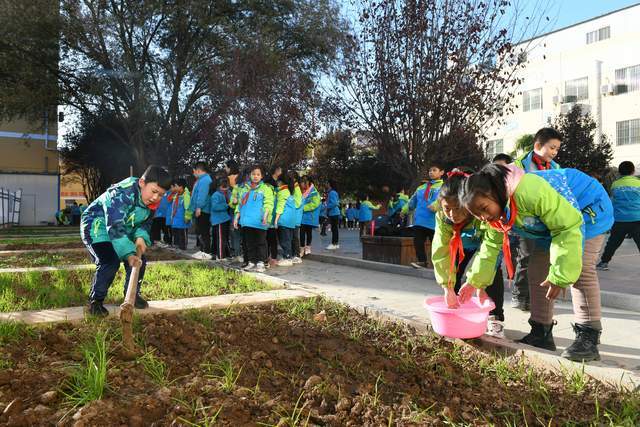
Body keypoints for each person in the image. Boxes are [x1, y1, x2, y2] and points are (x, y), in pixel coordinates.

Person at [459, 163, 613, 361]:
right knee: (537, 268)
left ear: (496, 193)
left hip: (588, 207)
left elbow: (568, 226)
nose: (484, 217)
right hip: (554, 224)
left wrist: (561, 274)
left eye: (484, 208)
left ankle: (588, 337)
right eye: (476, 214)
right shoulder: (493, 215)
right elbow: (490, 248)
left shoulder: (528, 192)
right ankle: (541, 332)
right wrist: (475, 281)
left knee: (580, 269)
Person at [80, 165, 171, 316]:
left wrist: (141, 237)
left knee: (140, 262)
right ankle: (95, 301)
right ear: (142, 183)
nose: (156, 197)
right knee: (110, 261)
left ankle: (132, 295)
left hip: (125, 226)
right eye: (154, 191)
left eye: (161, 194)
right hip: (96, 225)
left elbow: (145, 222)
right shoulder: (121, 193)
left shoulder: (151, 201)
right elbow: (115, 226)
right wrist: (129, 255)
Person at [431, 170, 505, 337]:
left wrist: (477, 282)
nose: (452, 214)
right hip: (460, 246)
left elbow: (490, 249)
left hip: (483, 244)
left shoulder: (483, 211)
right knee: (453, 277)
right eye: (447, 208)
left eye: (457, 208)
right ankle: (454, 313)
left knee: (492, 272)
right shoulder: (442, 217)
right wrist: (447, 287)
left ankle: (495, 318)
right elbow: (441, 251)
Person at [510, 128, 563, 311]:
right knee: (525, 258)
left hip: (547, 221)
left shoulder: (555, 168)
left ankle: (536, 298)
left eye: (557, 149)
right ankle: (519, 295)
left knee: (543, 260)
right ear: (538, 145)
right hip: (526, 221)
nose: (554, 152)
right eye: (551, 148)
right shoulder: (518, 166)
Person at [597, 161, 640, 270]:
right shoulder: (638, 183)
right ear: (633, 171)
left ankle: (604, 263)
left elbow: (612, 202)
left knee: (613, 242)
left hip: (620, 219)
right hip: (637, 218)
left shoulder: (615, 185)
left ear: (620, 172)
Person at [403, 162, 445, 269]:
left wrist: (437, 205)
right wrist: (404, 210)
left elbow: (447, 199)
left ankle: (439, 265)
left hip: (435, 222)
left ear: (441, 172)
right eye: (430, 170)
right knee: (418, 242)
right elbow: (413, 200)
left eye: (434, 170)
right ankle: (422, 262)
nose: (431, 172)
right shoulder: (421, 187)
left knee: (436, 245)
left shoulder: (445, 186)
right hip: (420, 220)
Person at [233, 165, 274, 273]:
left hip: (260, 222)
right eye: (253, 174)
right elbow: (240, 205)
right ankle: (251, 261)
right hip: (246, 222)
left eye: (258, 174)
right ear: (249, 175)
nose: (255, 176)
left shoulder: (266, 188)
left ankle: (261, 262)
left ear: (262, 176)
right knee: (249, 243)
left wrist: (265, 215)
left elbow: (269, 203)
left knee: (261, 243)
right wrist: (236, 218)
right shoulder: (245, 189)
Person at [189, 161, 213, 259]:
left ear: (198, 170)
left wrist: (199, 207)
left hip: (203, 210)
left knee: (204, 232)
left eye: (194, 171)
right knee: (200, 231)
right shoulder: (202, 180)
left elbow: (202, 195)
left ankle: (206, 252)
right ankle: (202, 250)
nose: (193, 173)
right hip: (200, 209)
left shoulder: (205, 180)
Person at [274, 173, 297, 266]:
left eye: (278, 181)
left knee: (284, 240)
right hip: (291, 221)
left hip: (284, 220)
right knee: (288, 239)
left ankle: (287, 258)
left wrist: (276, 220)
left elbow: (280, 206)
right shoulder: (289, 191)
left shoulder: (282, 192)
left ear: (281, 182)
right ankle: (288, 257)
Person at [210, 177, 232, 260]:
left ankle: (226, 254)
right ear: (219, 187)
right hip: (218, 220)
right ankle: (220, 256)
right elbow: (215, 207)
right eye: (223, 187)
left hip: (225, 219)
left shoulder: (228, 192)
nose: (225, 189)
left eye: (226, 187)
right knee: (220, 239)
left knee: (225, 238)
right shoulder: (216, 195)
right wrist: (227, 205)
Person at [225, 160, 243, 260]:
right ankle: (241, 252)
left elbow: (230, 199)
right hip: (243, 209)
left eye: (226, 167)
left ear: (229, 167)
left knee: (234, 231)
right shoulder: (242, 178)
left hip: (233, 208)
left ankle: (236, 253)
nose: (225, 169)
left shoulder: (229, 179)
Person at [300, 175, 321, 257]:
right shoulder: (302, 191)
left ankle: (308, 246)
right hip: (302, 217)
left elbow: (315, 204)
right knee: (301, 233)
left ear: (307, 182)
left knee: (308, 232)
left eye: (302, 182)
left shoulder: (314, 192)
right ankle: (301, 248)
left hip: (310, 216)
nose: (301, 184)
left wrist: (303, 208)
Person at [170, 178, 191, 251]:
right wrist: (172, 217)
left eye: (176, 186)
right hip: (176, 220)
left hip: (182, 221)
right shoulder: (177, 195)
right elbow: (174, 207)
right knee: (176, 234)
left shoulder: (186, 196)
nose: (175, 188)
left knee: (182, 234)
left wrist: (187, 217)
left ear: (181, 187)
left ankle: (183, 248)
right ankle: (177, 246)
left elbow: (188, 208)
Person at [289, 171, 303, 263]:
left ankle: (297, 255)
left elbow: (297, 203)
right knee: (292, 236)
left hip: (295, 217)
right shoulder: (294, 188)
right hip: (293, 217)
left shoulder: (296, 189)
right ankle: (294, 254)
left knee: (294, 237)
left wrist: (289, 202)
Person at [326, 180, 341, 250]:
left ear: (330, 185)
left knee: (334, 229)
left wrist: (327, 206)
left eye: (327, 184)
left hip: (334, 213)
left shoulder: (332, 193)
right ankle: (336, 243)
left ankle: (334, 243)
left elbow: (334, 203)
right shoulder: (333, 192)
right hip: (334, 213)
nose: (327, 185)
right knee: (335, 229)